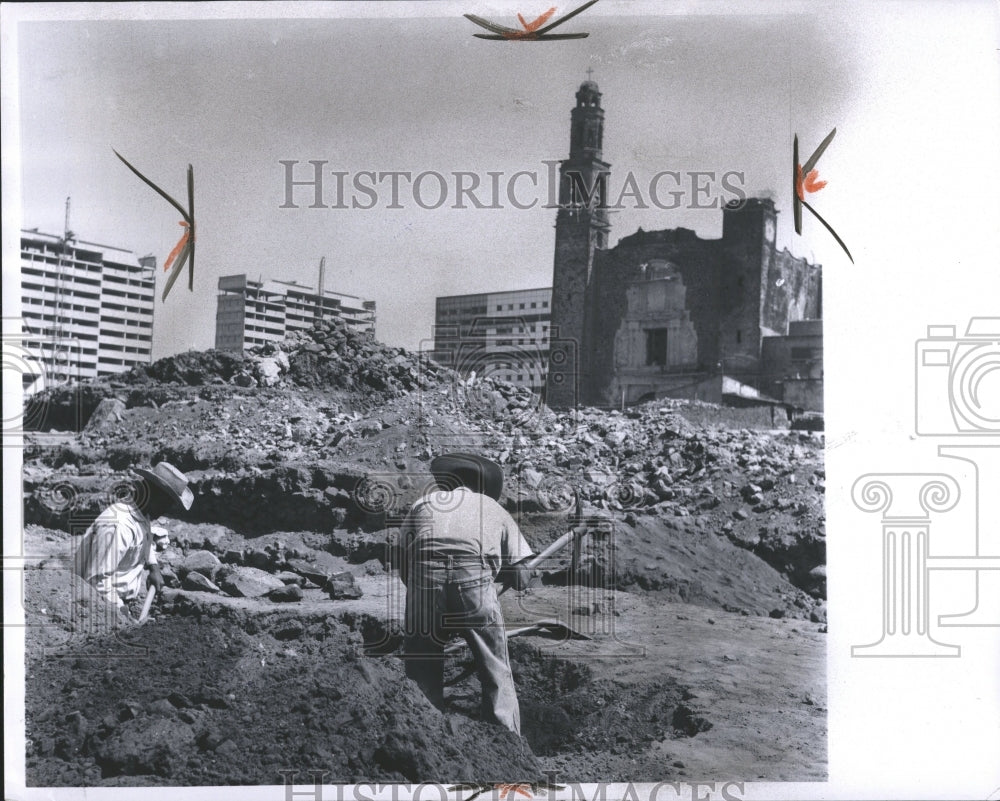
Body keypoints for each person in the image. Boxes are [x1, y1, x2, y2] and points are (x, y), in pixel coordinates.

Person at [398, 453, 534, 734]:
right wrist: (511, 574)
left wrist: (429, 602)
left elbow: (402, 563)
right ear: (482, 487)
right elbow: (521, 578)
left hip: (423, 576)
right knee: (494, 663)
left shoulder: (422, 503)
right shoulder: (492, 507)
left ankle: (425, 734)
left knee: (422, 661)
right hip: (475, 578)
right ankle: (507, 739)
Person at [74, 461, 193, 617]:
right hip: (98, 606)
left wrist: (153, 566)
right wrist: (122, 613)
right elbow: (97, 580)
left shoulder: (142, 513)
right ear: (150, 492)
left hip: (114, 601)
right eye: (165, 503)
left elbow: (145, 538)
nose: (166, 510)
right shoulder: (118, 525)